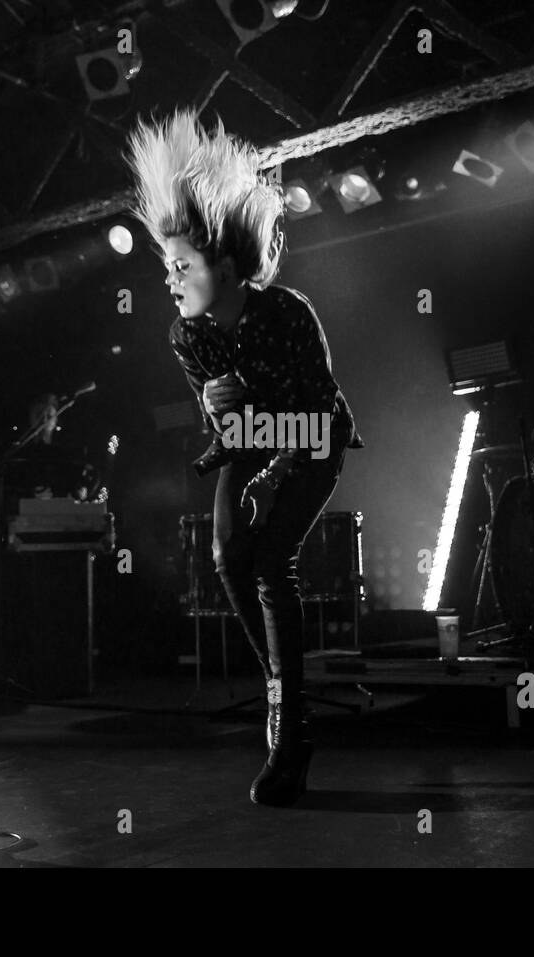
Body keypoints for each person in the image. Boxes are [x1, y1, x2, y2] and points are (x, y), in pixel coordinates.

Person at [126, 108, 362, 807]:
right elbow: (219, 416)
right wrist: (223, 415)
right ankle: (285, 695)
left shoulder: (288, 314)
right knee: (229, 556)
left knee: (269, 560)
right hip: (251, 438)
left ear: (224, 269)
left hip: (313, 439)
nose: (170, 279)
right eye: (167, 266)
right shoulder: (187, 336)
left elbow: (317, 414)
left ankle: (290, 737)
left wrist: (275, 473)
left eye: (182, 266)